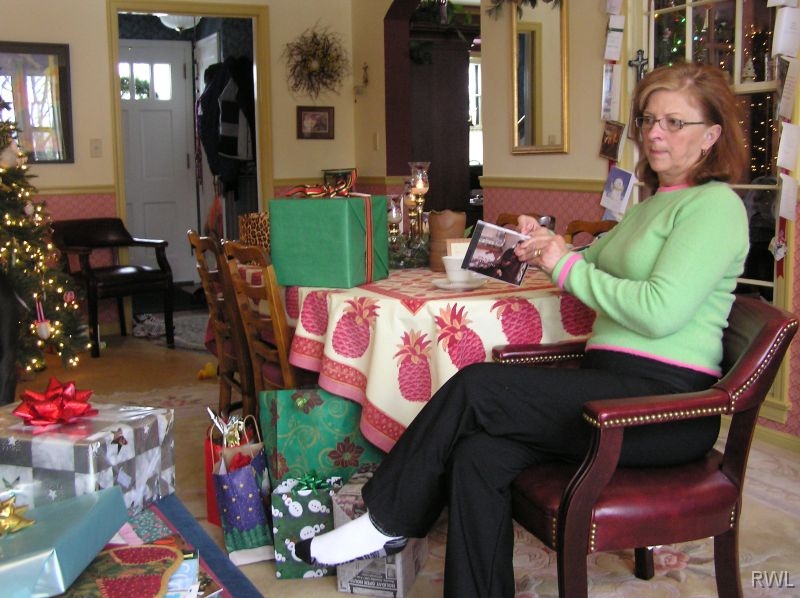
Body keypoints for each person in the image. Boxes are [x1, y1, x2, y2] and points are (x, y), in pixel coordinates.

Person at [296, 62, 750, 597]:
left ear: (711, 135)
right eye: (649, 119)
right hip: (610, 384)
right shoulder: (650, 205)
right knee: (477, 456)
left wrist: (565, 264)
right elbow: (587, 259)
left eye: (674, 122)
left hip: (665, 408)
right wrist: (545, 244)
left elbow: (659, 311)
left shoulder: (715, 207)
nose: (654, 133)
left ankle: (386, 518)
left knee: (475, 387)